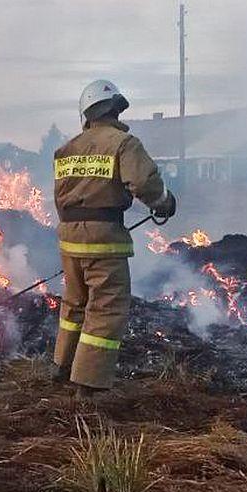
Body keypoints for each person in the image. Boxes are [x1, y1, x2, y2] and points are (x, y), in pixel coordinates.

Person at [52, 79, 176, 394]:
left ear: (87, 114)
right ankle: (88, 385)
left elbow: (62, 197)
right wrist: (165, 202)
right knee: (105, 309)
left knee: (75, 304)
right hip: (103, 241)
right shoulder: (124, 143)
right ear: (114, 108)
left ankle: (63, 366)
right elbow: (144, 184)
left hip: (69, 239)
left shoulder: (66, 150)